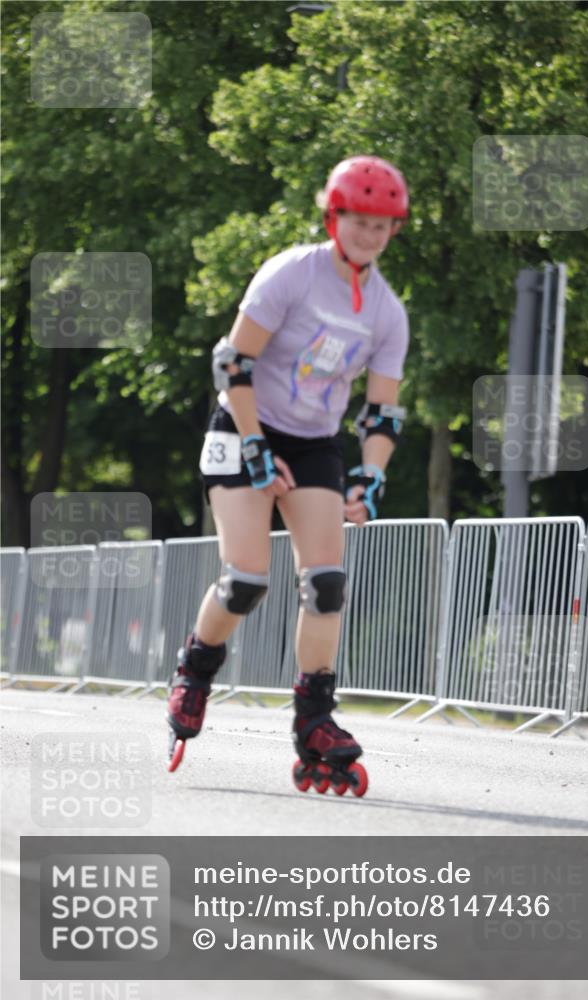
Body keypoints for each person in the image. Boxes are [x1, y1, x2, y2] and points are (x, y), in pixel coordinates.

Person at [166, 155, 410, 796]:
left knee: (326, 581)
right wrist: (252, 447)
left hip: (312, 444)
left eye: (381, 225)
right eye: (358, 220)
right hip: (242, 424)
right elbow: (233, 364)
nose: (369, 233)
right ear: (335, 218)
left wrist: (370, 478)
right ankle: (194, 669)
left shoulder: (387, 312)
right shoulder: (292, 274)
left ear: (393, 230)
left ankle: (314, 721)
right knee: (247, 580)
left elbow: (382, 412)